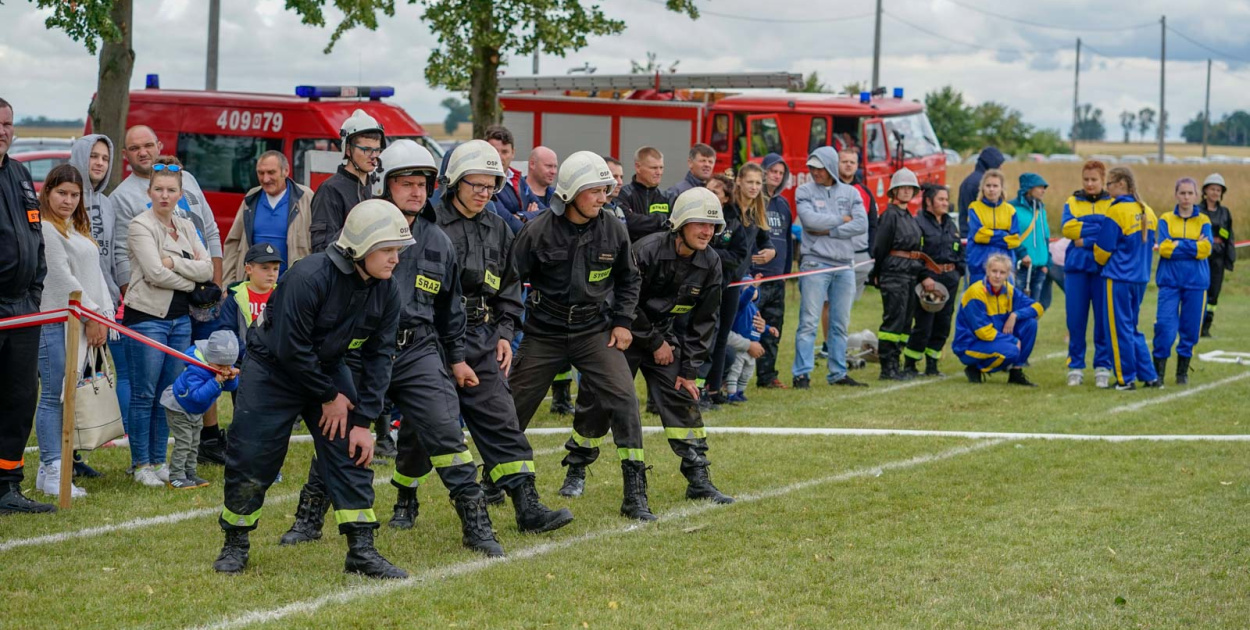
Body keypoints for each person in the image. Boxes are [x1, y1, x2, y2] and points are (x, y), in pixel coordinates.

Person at [284, 141, 516, 557]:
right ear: (385, 185)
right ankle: (309, 517)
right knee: (338, 434)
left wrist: (458, 359)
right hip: (360, 352)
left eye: (423, 185)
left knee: (447, 433)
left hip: (417, 352)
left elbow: (449, 310)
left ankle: (477, 525)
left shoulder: (438, 241)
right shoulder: (358, 231)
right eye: (406, 183)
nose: (416, 192)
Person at [214, 199, 412, 579]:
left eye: (398, 250)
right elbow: (290, 348)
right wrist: (328, 396)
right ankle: (235, 542)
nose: (395, 260)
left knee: (350, 452)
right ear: (361, 247)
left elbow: (379, 355)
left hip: (325, 370)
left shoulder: (387, 290)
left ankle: (362, 550)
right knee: (253, 455)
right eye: (387, 250)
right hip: (273, 370)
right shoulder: (308, 276)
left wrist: (363, 420)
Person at [427, 139, 574, 536]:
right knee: (427, 429)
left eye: (491, 186)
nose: (484, 193)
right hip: (431, 341)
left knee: (502, 419)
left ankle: (527, 506)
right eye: (476, 185)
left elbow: (511, 286)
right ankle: (403, 497)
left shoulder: (498, 227)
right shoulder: (429, 226)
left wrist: (506, 332)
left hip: (482, 336)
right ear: (453, 183)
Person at [561, 187, 733, 505]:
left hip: (663, 340)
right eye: (700, 224)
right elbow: (622, 302)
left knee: (682, 397)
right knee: (596, 404)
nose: (708, 231)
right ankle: (576, 470)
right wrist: (654, 342)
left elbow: (705, 321)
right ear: (680, 224)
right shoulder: (646, 250)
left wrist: (690, 369)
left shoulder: (711, 263)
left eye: (713, 226)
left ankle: (698, 477)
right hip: (621, 334)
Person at [507, 151, 654, 521]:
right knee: (512, 410)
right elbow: (510, 282)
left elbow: (629, 278)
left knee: (624, 399)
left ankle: (635, 493)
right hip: (544, 332)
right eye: (595, 191)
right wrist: (505, 331)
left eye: (605, 190)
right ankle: (499, 479)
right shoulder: (537, 229)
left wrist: (622, 322)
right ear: (571, 193)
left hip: (594, 330)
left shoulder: (613, 228)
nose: (604, 197)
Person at [124, 157, 214, 487]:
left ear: (180, 193)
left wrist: (174, 261)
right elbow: (154, 273)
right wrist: (194, 284)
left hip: (180, 320)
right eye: (159, 189)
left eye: (171, 190)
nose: (165, 195)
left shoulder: (187, 225)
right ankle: (141, 464)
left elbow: (209, 270)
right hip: (148, 318)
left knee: (167, 393)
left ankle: (160, 460)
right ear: (149, 191)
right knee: (144, 393)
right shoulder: (140, 225)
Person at [33, 165, 113, 498]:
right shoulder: (48, 230)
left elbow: (94, 273)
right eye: (61, 193)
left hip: (80, 320)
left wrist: (102, 317)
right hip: (55, 321)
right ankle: (52, 468)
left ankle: (55, 466)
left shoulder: (75, 228)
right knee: (53, 396)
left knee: (67, 395)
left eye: (74, 194)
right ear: (48, 192)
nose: (68, 200)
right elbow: (63, 280)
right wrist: (94, 316)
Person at [0, 96, 56, 515]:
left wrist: (35, 293)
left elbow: (35, 240)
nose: (4, 131)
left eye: (8, 124)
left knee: (20, 398)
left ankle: (7, 485)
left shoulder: (19, 174)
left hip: (24, 309)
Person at [792, 146, 869, 389]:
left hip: (845, 265)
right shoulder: (803, 190)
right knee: (809, 321)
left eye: (820, 168)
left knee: (840, 323)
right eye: (812, 168)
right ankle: (801, 374)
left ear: (830, 166)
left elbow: (861, 224)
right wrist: (842, 219)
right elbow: (809, 221)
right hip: (814, 262)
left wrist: (830, 229)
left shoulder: (851, 192)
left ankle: (838, 373)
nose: (815, 172)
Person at [111, 126, 221, 292]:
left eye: (148, 145)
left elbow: (211, 232)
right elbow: (122, 255)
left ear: (159, 146)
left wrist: (217, 285)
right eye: (135, 148)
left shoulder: (187, 179)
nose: (142, 152)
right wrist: (131, 295)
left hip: (204, 287)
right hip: (161, 295)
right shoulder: (121, 197)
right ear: (125, 154)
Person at [69, 133, 121, 478]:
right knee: (68, 382)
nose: (99, 163)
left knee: (90, 378)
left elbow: (111, 253)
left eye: (105, 157)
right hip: (76, 308)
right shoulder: (69, 199)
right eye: (94, 156)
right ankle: (59, 459)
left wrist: (113, 299)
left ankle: (74, 455)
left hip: (103, 304)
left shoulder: (108, 203)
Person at [704, 164, 775, 403]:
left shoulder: (756, 213)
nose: (754, 187)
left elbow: (766, 242)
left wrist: (770, 252)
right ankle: (702, 388)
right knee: (710, 334)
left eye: (758, 183)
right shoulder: (729, 210)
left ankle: (715, 390)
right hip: (717, 280)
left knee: (723, 335)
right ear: (740, 182)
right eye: (750, 182)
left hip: (736, 283)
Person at [1093, 166, 1161, 391]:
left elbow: (1103, 248)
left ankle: (1125, 378)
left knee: (1118, 329)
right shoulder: (1147, 211)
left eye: (1109, 184)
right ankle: (1149, 376)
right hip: (1140, 278)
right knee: (1132, 327)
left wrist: (1099, 260)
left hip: (1118, 277)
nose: (1107, 188)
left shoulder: (1117, 211)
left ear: (1121, 184)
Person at [1152, 178, 1212, 385]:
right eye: (1182, 193)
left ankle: (1181, 374)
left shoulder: (1204, 221)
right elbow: (1165, 249)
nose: (1186, 197)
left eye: (1190, 193)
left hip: (1196, 283)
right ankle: (1157, 374)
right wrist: (1193, 246)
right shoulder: (1166, 219)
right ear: (1176, 194)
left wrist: (1179, 245)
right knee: (1164, 327)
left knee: (1190, 329)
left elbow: (1206, 249)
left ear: (1196, 196)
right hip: (1169, 282)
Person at [160, 331, 239, 489]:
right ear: (210, 358)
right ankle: (176, 476)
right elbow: (198, 396)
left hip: (195, 412)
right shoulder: (195, 369)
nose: (223, 369)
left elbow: (231, 387)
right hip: (179, 408)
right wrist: (216, 381)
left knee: (194, 442)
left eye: (228, 366)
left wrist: (231, 378)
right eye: (220, 366)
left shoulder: (216, 366)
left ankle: (190, 473)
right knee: (184, 443)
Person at [1061, 160, 1114, 388]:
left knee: (1103, 319)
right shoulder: (1072, 202)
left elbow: (1111, 232)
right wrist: (1098, 229)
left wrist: (1087, 237)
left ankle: (1103, 366)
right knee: (1075, 320)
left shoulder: (1113, 203)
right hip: (1076, 269)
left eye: (1094, 180)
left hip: (1103, 270)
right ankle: (1076, 366)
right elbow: (1067, 229)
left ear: (1103, 180)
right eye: (1086, 179)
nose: (1090, 184)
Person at [222, 151, 313, 284]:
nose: (265, 179)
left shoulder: (305, 198)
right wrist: (228, 284)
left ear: (286, 171)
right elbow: (233, 243)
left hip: (292, 288)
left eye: (271, 172)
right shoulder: (251, 199)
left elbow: (318, 244)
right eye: (261, 173)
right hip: (252, 289)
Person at [952, 253, 1041, 386]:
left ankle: (1015, 373)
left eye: (1002, 272)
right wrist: (1013, 340)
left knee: (1030, 324)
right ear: (987, 271)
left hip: (993, 339)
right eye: (994, 271)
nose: (997, 276)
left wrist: (1015, 315)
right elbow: (983, 332)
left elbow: (1038, 307)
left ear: (1008, 275)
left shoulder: (1009, 290)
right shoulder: (976, 293)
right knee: (1012, 351)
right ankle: (975, 368)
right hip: (969, 345)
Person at [870, 168, 924, 381]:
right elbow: (880, 247)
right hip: (894, 274)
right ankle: (887, 367)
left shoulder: (908, 216)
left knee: (905, 322)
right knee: (893, 321)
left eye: (910, 188)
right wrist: (877, 273)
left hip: (909, 274)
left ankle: (896, 361)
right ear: (894, 191)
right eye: (902, 188)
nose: (906, 191)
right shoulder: (889, 215)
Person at [905, 184, 964, 377]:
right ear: (929, 201)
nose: (945, 203)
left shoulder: (950, 224)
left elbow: (959, 248)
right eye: (941, 199)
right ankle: (910, 364)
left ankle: (932, 365)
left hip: (950, 279)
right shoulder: (918, 223)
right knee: (924, 324)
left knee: (943, 323)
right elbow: (914, 254)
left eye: (946, 199)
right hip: (928, 280)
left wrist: (958, 271)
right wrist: (924, 277)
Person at [309, 109, 385, 253]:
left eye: (377, 150)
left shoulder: (375, 187)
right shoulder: (330, 190)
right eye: (366, 149)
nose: (373, 156)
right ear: (348, 150)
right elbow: (323, 249)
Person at [754, 153, 792, 389]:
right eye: (772, 172)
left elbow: (787, 241)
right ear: (763, 172)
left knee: (774, 328)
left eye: (780, 173)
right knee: (746, 327)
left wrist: (786, 273)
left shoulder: (784, 204)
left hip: (777, 278)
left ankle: (767, 376)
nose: (776, 176)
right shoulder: (753, 201)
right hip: (755, 278)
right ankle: (730, 381)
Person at [216, 243, 280, 369]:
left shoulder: (283, 295)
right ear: (249, 269)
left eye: (275, 269)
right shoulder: (235, 297)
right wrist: (247, 354)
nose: (271, 273)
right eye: (265, 268)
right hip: (243, 363)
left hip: (275, 364)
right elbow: (227, 331)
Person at [965, 168, 1020, 284]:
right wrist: (1004, 234)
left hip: (1005, 269)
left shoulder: (1010, 210)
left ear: (1001, 188)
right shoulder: (974, 208)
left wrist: (989, 234)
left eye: (995, 186)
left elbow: (1015, 240)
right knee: (978, 301)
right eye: (988, 185)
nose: (991, 189)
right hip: (979, 266)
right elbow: (979, 235)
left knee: (1005, 301)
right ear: (982, 188)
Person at [837, 148, 878, 299]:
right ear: (837, 164)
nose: (848, 165)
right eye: (844, 161)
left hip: (860, 257)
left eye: (852, 162)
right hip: (834, 257)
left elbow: (873, 225)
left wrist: (871, 252)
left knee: (847, 303)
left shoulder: (865, 192)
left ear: (857, 165)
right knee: (830, 303)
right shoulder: (828, 189)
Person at [1199, 173, 1235, 337]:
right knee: (1199, 291)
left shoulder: (1225, 213)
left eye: (1218, 190)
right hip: (1200, 257)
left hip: (1218, 258)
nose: (1215, 193)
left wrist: (1229, 257)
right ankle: (1195, 324)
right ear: (1205, 191)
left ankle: (1206, 326)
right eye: (1212, 189)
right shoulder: (1197, 211)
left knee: (1214, 292)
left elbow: (1228, 235)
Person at [1011, 173, 1053, 310]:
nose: (1043, 191)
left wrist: (1047, 262)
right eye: (1040, 187)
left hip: (1040, 268)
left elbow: (1045, 237)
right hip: (1021, 268)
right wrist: (1021, 254)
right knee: (1015, 308)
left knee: (1034, 311)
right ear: (1029, 188)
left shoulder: (1042, 210)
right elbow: (1011, 236)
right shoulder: (1012, 209)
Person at [726, 280, 772, 402]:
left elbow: (756, 323)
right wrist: (752, 287)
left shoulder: (754, 308)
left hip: (754, 344)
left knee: (747, 372)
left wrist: (768, 329)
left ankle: (740, 392)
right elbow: (745, 297)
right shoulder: (741, 305)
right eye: (747, 287)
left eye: (755, 289)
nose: (752, 290)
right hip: (741, 345)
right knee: (736, 370)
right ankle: (731, 393)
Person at [616, 146, 672, 242]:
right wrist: (661, 219)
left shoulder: (668, 197)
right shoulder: (623, 194)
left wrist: (638, 219)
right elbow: (628, 223)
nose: (659, 172)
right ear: (638, 167)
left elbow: (673, 228)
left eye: (661, 167)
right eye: (654, 168)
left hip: (660, 255)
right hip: (631, 253)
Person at [483, 124, 526, 233]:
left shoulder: (518, 178)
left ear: (513, 153)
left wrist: (522, 215)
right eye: (494, 151)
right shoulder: (483, 184)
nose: (499, 157)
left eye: (505, 152)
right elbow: (506, 220)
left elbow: (542, 209)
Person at [957, 146, 1006, 238]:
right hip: (979, 238)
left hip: (970, 234)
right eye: (998, 164)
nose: (1001, 168)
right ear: (991, 163)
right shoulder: (981, 183)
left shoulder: (970, 180)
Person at [523, 146, 558, 213]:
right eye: (549, 166)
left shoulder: (558, 198)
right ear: (532, 164)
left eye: (555, 166)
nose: (553, 172)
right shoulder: (515, 194)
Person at [602, 156, 627, 223]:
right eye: (614, 176)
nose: (620, 182)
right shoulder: (595, 211)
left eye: (621, 177)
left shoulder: (619, 211)